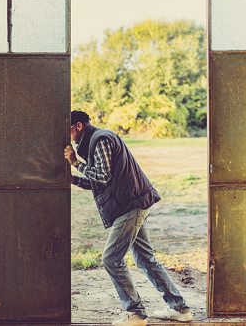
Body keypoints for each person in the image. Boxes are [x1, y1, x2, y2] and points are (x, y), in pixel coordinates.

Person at [64, 110, 192, 325]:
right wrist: (74, 180)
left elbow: (103, 176)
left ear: (78, 126)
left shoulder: (100, 139)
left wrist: (76, 163)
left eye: (68, 129)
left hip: (130, 206)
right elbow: (103, 182)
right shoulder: (96, 140)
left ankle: (137, 314)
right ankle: (181, 309)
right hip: (134, 204)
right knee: (145, 259)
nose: (67, 136)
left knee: (111, 259)